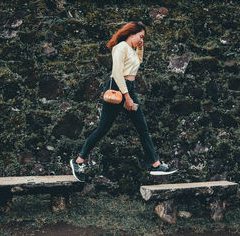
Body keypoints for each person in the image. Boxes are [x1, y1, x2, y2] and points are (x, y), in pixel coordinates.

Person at [70, 21, 177, 182]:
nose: (142, 40)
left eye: (143, 38)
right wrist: (127, 98)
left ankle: (156, 165)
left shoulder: (131, 50)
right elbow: (117, 73)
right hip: (118, 89)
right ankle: (78, 161)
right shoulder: (120, 47)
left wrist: (140, 45)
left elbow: (137, 62)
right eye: (140, 36)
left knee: (142, 128)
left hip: (129, 89)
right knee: (103, 128)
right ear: (131, 33)